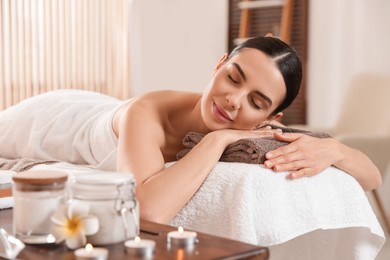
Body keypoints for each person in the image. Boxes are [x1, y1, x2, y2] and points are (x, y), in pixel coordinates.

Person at [0, 36, 382, 224]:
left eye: (256, 101)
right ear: (219, 65)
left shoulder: (258, 129)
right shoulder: (147, 111)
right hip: (51, 119)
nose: (233, 100)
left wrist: (336, 150)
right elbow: (145, 209)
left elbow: (373, 176)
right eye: (233, 78)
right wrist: (216, 140)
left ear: (272, 120)